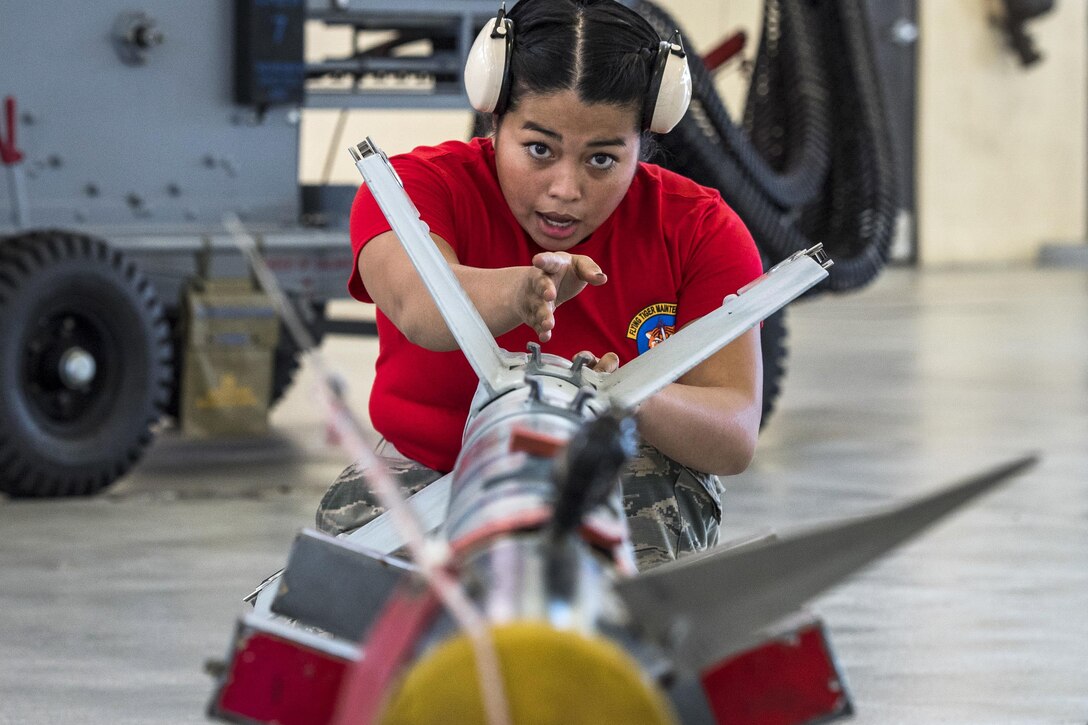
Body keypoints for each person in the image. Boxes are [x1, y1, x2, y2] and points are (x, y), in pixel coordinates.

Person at [317, 0, 763, 571]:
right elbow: (420, 304)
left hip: (614, 476)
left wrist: (627, 397)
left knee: (631, 621)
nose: (565, 188)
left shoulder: (698, 229)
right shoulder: (414, 190)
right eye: (539, 149)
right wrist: (520, 294)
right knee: (335, 613)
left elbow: (732, 435)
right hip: (435, 474)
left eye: (602, 159)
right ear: (493, 120)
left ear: (642, 144)